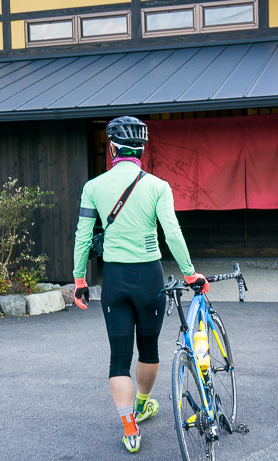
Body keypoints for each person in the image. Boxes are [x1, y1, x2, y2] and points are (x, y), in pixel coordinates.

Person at [72, 116, 209, 454]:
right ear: (142, 149)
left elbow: (82, 236)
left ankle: (130, 428)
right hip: (150, 277)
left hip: (114, 278)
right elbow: (172, 233)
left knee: (119, 357)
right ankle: (144, 403)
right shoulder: (158, 186)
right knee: (148, 349)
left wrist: (79, 279)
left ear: (112, 148)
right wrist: (190, 274)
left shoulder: (94, 186)